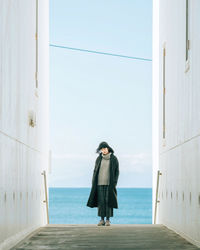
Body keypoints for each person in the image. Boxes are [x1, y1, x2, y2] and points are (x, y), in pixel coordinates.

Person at [86, 141, 119, 226]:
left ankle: (108, 220)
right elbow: (95, 171)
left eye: (104, 148)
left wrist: (114, 182)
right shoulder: (99, 158)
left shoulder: (114, 159)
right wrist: (93, 181)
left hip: (109, 184)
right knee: (101, 202)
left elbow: (117, 172)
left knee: (108, 201)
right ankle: (101, 220)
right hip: (99, 183)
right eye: (101, 149)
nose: (103, 150)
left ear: (108, 148)